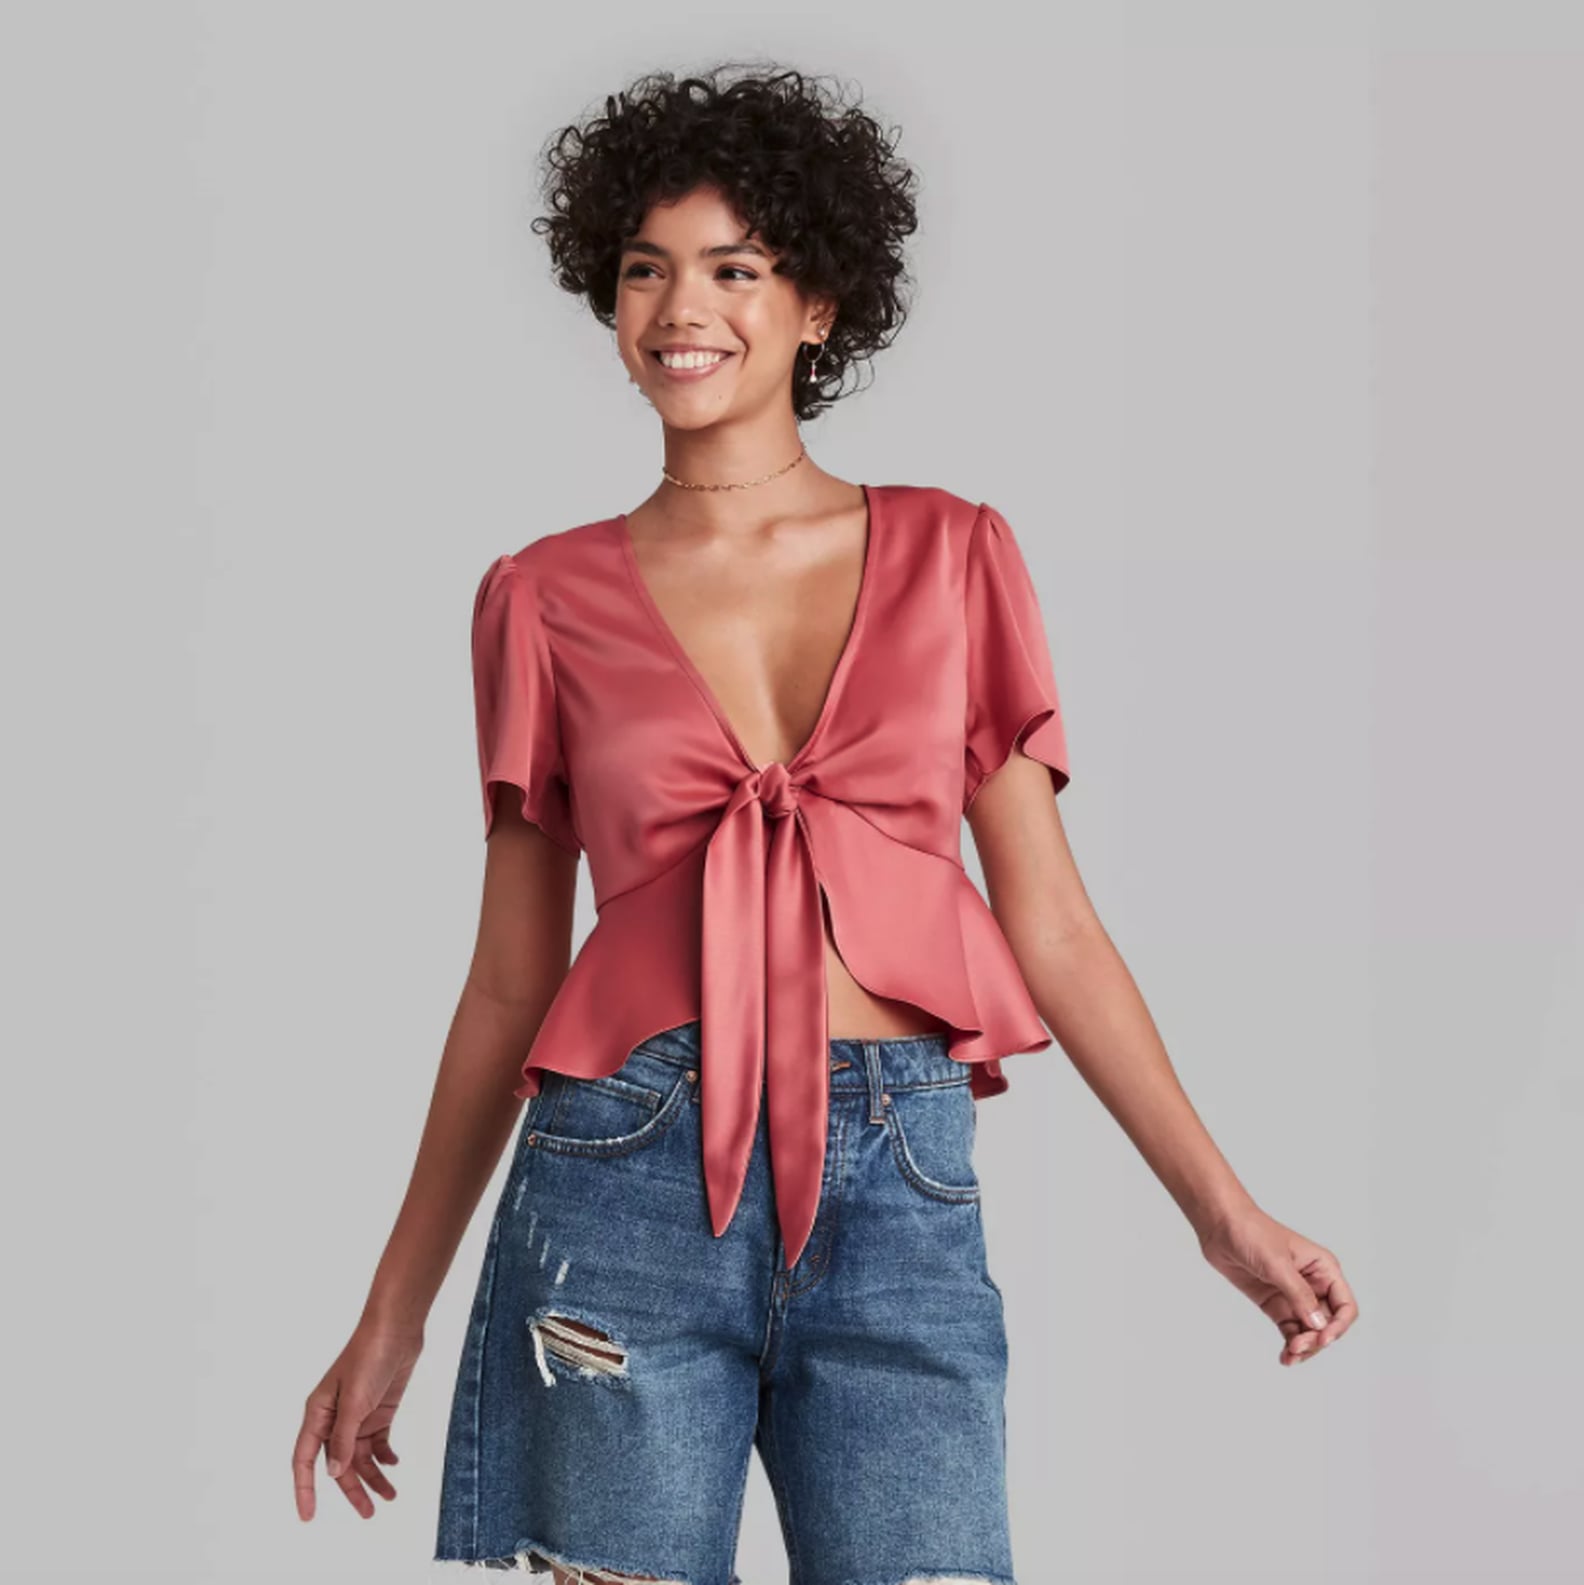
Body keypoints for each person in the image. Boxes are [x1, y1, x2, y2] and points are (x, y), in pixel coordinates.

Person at [291, 64, 1357, 1585]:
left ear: (819, 306)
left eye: (735, 269)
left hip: (900, 1171)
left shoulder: (956, 554)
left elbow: (1052, 924)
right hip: (623, 1166)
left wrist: (1223, 1212)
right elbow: (511, 980)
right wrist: (392, 1310)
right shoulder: (541, 596)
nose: (681, 308)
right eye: (645, 269)